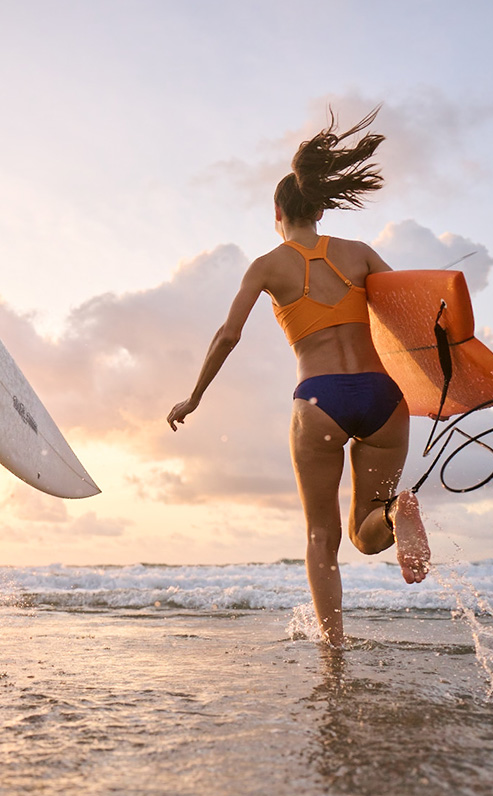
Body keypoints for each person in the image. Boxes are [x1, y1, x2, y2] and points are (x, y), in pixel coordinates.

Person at [166, 109, 430, 647]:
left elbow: (227, 335)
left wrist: (193, 396)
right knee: (366, 531)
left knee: (322, 535)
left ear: (279, 212)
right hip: (383, 396)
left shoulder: (267, 265)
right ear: (322, 206)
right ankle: (395, 512)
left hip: (320, 398)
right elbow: (410, 320)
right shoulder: (359, 253)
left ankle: (334, 648)